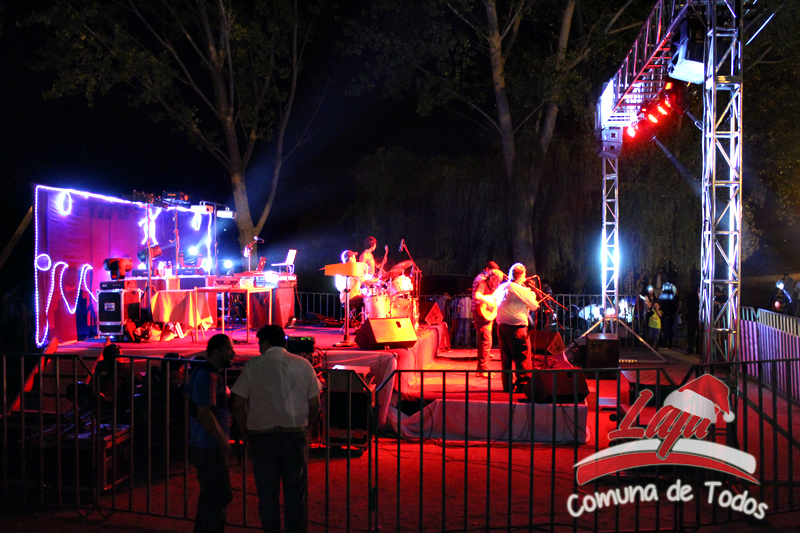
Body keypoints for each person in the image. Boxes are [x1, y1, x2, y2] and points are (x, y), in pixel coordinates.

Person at [232, 325, 321, 533]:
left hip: (262, 437)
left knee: (267, 495)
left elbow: (238, 403)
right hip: (294, 434)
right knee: (295, 495)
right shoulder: (303, 365)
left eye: (260, 343)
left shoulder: (253, 365)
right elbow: (315, 404)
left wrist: (245, 434)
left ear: (265, 342)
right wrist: (307, 428)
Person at [185, 334, 235, 533]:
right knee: (216, 496)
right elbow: (204, 411)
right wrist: (222, 439)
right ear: (216, 353)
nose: (233, 353)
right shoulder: (209, 376)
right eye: (228, 349)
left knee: (212, 496)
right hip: (209, 446)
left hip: (203, 443)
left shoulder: (202, 372)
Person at [495, 263, 539, 393]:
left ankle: (507, 385)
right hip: (516, 327)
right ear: (521, 276)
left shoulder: (501, 287)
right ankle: (523, 386)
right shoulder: (521, 290)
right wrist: (532, 295)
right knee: (522, 357)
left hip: (502, 326)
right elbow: (534, 306)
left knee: (506, 358)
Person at [471, 261, 504, 377]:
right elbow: (478, 296)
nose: (498, 284)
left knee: (485, 341)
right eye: (497, 281)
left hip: (487, 315)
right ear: (492, 278)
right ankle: (482, 369)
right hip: (480, 315)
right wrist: (489, 301)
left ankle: (481, 367)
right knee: (486, 341)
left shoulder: (491, 286)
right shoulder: (482, 282)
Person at [658, 282, 682, 349]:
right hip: (671, 315)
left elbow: (661, 305)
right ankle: (670, 343)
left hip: (665, 315)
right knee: (670, 330)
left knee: (665, 330)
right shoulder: (672, 296)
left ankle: (665, 343)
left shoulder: (662, 295)